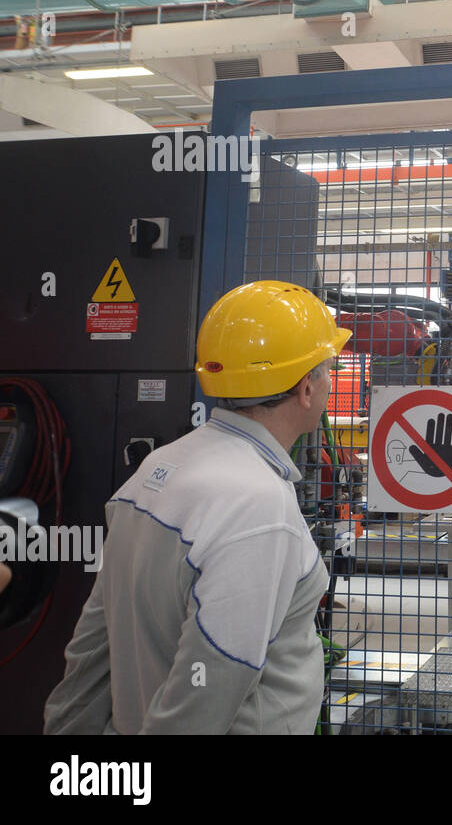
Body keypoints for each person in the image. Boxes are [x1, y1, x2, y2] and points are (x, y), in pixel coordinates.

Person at [44, 281, 350, 734]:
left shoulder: (156, 469)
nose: (330, 380)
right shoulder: (259, 509)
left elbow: (91, 651)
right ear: (307, 388)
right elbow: (206, 691)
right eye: (329, 368)